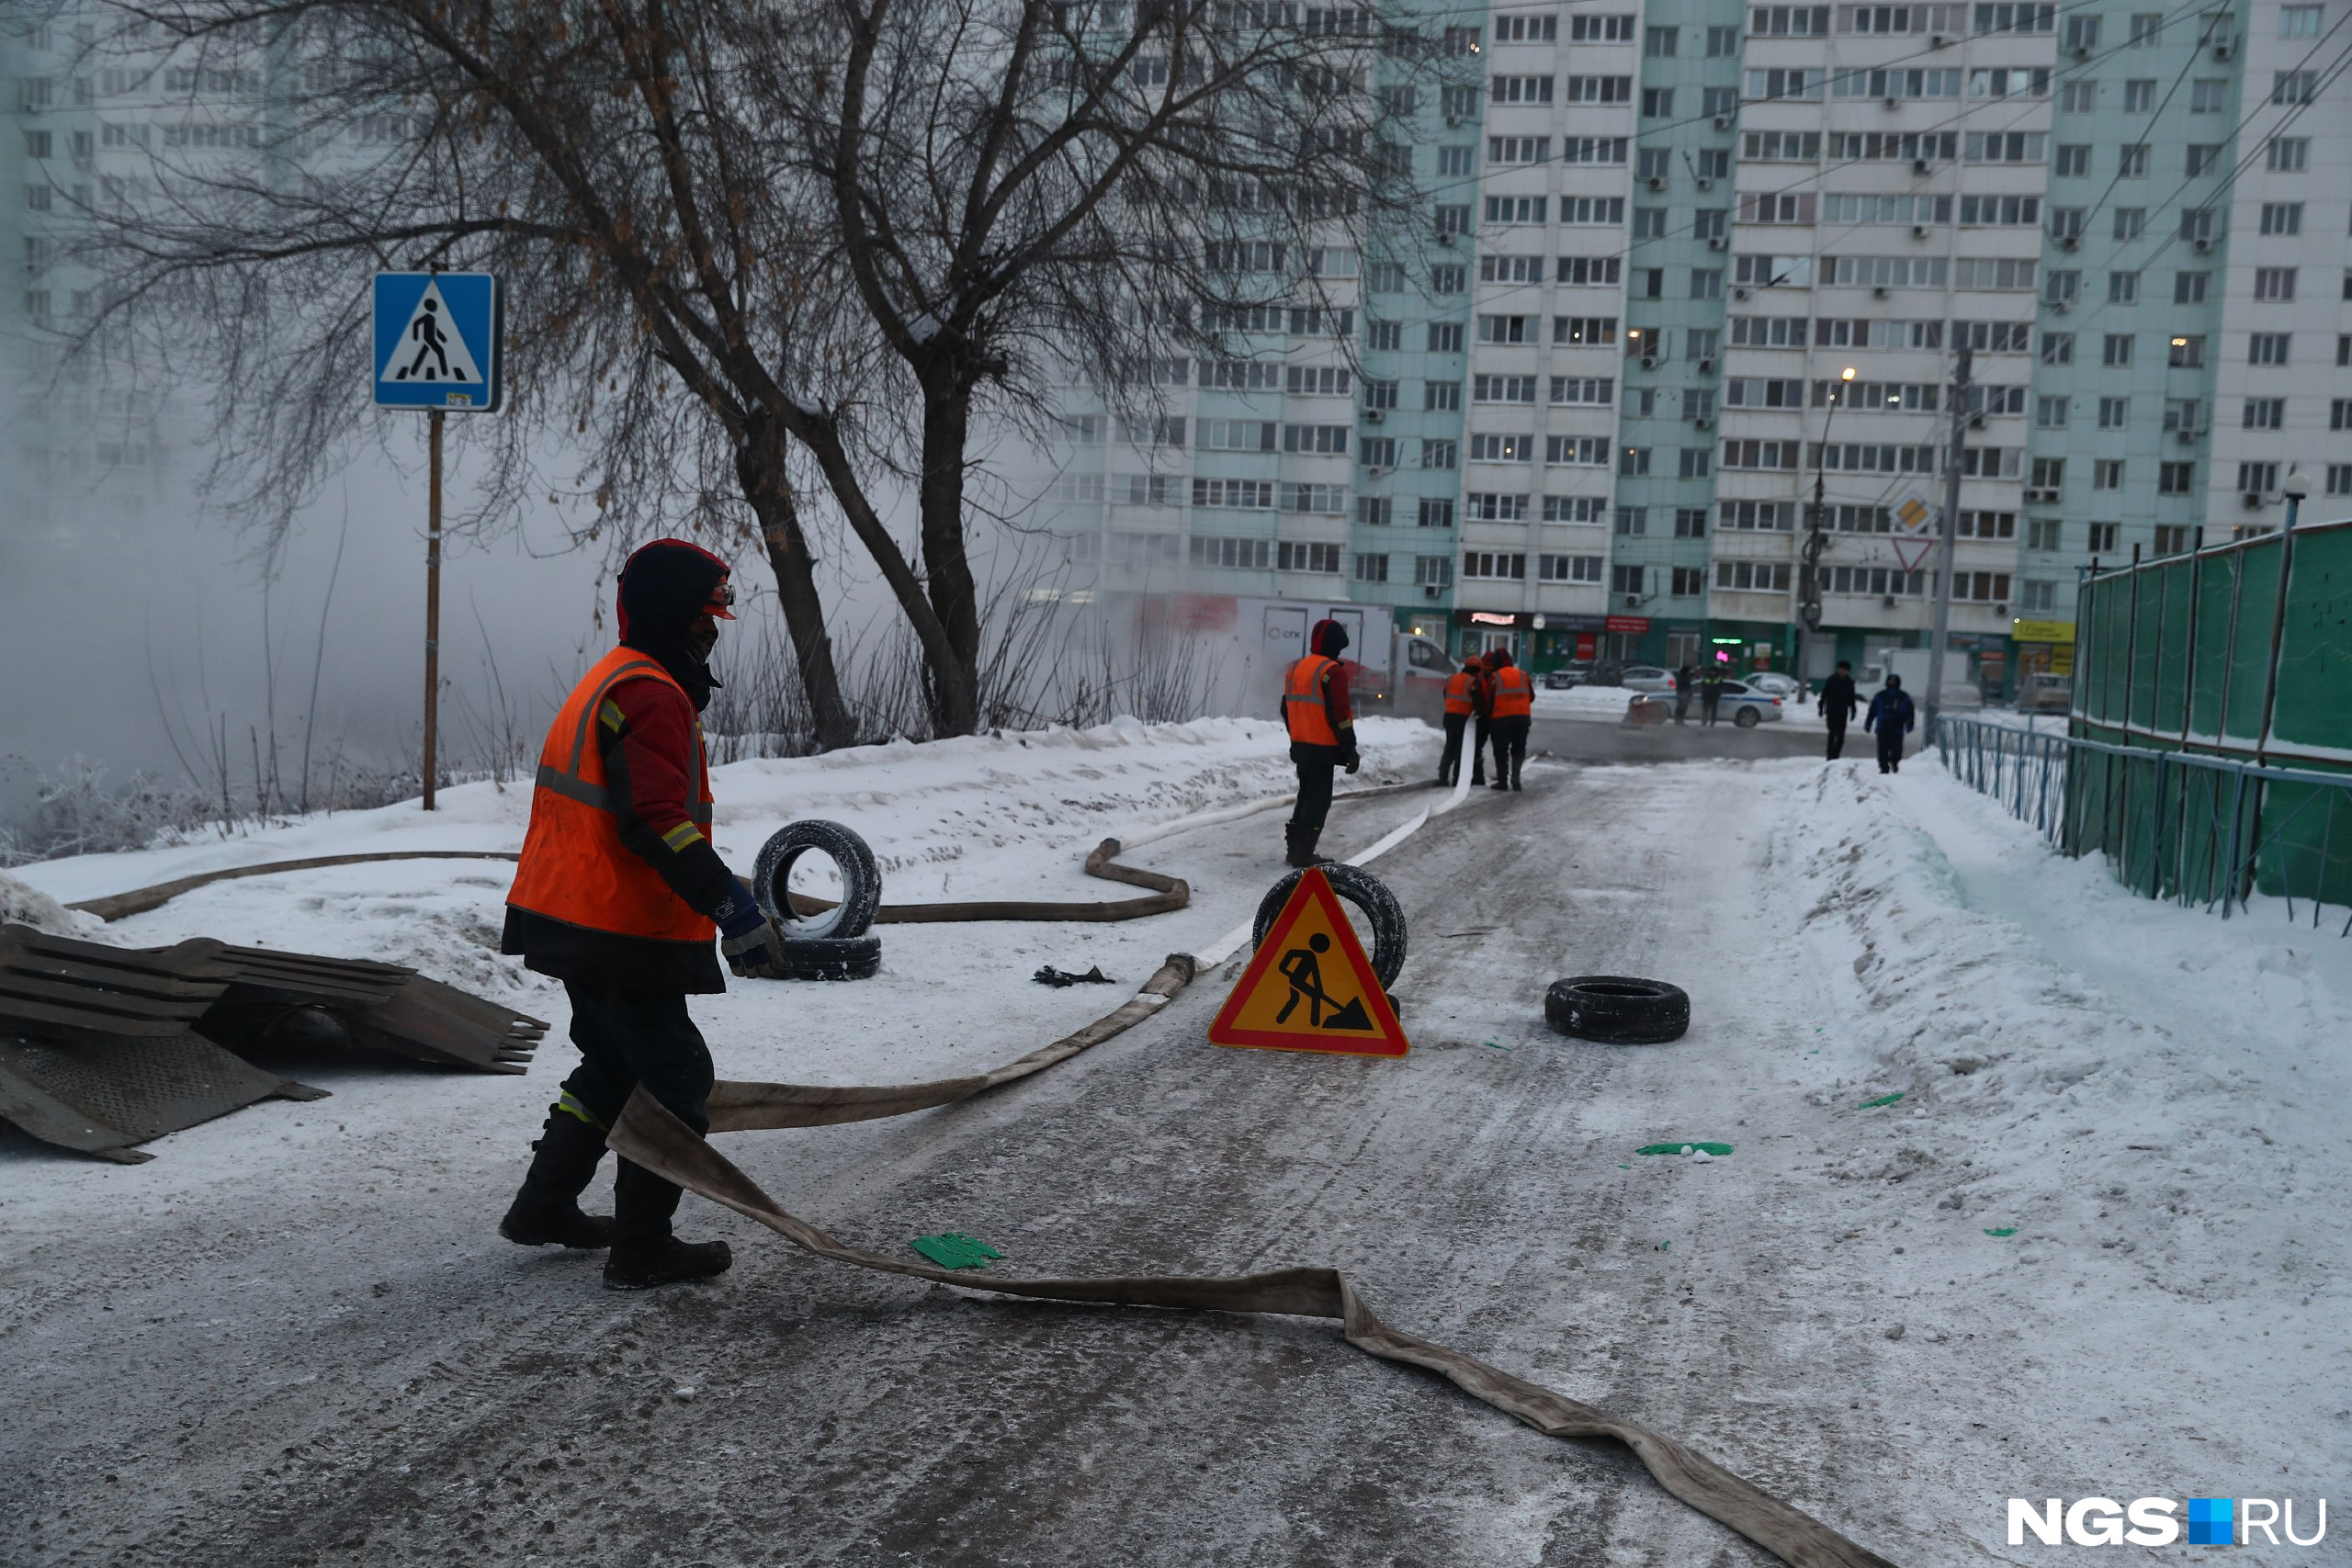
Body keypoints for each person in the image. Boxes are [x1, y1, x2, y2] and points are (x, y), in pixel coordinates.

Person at [500, 539, 790, 1292]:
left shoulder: (613, 676)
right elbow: (656, 820)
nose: (713, 633)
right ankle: (644, 1248)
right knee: (676, 1074)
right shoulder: (651, 693)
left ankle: (544, 1206)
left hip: (568, 911)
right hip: (615, 924)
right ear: (669, 615)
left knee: (612, 1060)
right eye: (703, 618)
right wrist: (731, 904)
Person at [1281, 617, 1361, 865]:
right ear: (1335, 646)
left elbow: (1286, 708)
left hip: (1301, 746)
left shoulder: (1297, 668)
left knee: (1305, 795)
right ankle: (1304, 853)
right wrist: (1350, 749)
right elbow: (1340, 716)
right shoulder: (1333, 673)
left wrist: (1296, 735)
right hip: (1323, 748)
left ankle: (1294, 849)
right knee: (1318, 800)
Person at [1486, 647, 1534, 791]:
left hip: (1501, 719)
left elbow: (1489, 700)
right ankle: (1516, 778)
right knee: (1518, 749)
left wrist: (1486, 716)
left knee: (1501, 751)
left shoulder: (1495, 676)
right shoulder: (1523, 675)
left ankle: (1502, 781)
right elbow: (1531, 696)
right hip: (1522, 718)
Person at [1435, 657, 1476, 786]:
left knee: (1449, 746)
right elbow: (1478, 701)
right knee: (1460, 749)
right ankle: (1457, 778)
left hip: (1449, 716)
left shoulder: (1453, 678)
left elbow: (1445, 693)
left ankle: (1443, 776)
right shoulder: (1473, 682)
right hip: (1463, 718)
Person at [1865, 672, 1917, 774]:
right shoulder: (1880, 696)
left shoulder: (1904, 697)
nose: (1892, 683)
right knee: (1882, 749)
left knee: (1896, 749)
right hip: (1882, 727)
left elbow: (1910, 712)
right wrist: (1868, 723)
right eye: (1890, 681)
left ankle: (1894, 762)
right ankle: (1884, 767)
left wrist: (1909, 723)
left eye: (1894, 681)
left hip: (1897, 728)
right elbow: (1872, 710)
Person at [1818, 660, 1860, 761]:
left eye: (1845, 670)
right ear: (1838, 669)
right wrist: (1821, 707)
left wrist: (1853, 710)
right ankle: (1830, 756)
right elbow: (1824, 695)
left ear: (1847, 671)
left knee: (1841, 737)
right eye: (1841, 669)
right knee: (1832, 733)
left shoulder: (1849, 682)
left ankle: (1836, 755)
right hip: (1831, 711)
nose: (1843, 671)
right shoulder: (1831, 680)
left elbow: (1851, 697)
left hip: (1842, 712)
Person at [1467, 649, 1497, 786]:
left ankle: (1479, 776)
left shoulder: (1479, 678)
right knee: (1497, 748)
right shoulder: (1496, 676)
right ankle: (1498, 775)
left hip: (1487, 717)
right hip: (1493, 717)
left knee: (1477, 748)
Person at [1698, 661, 1727, 726]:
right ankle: (1704, 721)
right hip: (1706, 696)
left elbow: (1721, 687)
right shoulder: (1706, 677)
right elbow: (1702, 686)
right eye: (1711, 671)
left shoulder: (1718, 678)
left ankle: (1712, 722)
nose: (1712, 672)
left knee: (1713, 711)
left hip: (1714, 697)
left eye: (1713, 671)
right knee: (1705, 710)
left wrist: (1719, 694)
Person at [1672, 662, 1694, 726]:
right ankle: (1679, 721)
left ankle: (1679, 721)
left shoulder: (1683, 678)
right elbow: (1685, 688)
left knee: (1681, 708)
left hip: (1683, 695)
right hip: (1683, 695)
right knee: (1681, 708)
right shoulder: (1684, 678)